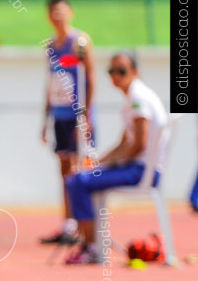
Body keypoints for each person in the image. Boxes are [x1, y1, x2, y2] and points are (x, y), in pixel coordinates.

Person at [64, 53, 167, 265]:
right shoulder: (133, 98)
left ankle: (91, 247)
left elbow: (138, 144)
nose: (116, 76)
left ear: (135, 72)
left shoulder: (138, 99)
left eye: (121, 71)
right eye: (112, 71)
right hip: (138, 167)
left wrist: (104, 165)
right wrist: (98, 163)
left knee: (78, 182)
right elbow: (123, 144)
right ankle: (92, 243)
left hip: (142, 171)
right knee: (81, 176)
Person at [40, 0, 95, 246]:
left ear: (70, 12)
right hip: (59, 115)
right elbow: (49, 83)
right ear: (48, 16)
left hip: (76, 114)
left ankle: (84, 228)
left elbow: (90, 78)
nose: (57, 16)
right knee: (63, 169)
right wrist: (44, 119)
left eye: (61, 11)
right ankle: (68, 224)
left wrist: (86, 116)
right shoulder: (50, 46)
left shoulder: (80, 42)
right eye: (53, 12)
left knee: (79, 169)